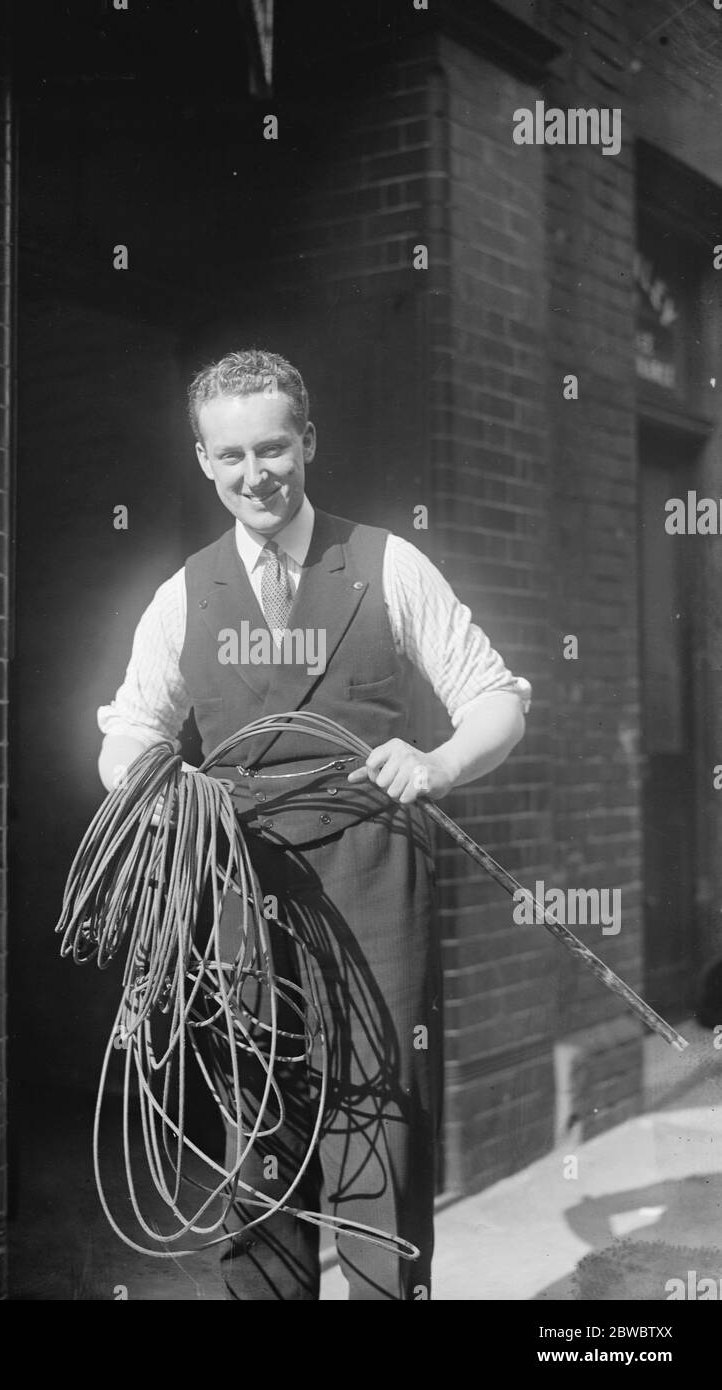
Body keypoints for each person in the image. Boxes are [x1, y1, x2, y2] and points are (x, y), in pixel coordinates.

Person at [96, 348, 531, 1300]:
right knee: (257, 1135)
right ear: (204, 461)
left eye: (275, 448)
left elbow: (497, 699)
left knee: (379, 1128)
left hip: (375, 879)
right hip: (238, 893)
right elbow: (130, 729)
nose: (256, 475)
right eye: (232, 456)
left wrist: (439, 761)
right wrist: (160, 791)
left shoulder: (387, 563)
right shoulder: (186, 594)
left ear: (310, 441)